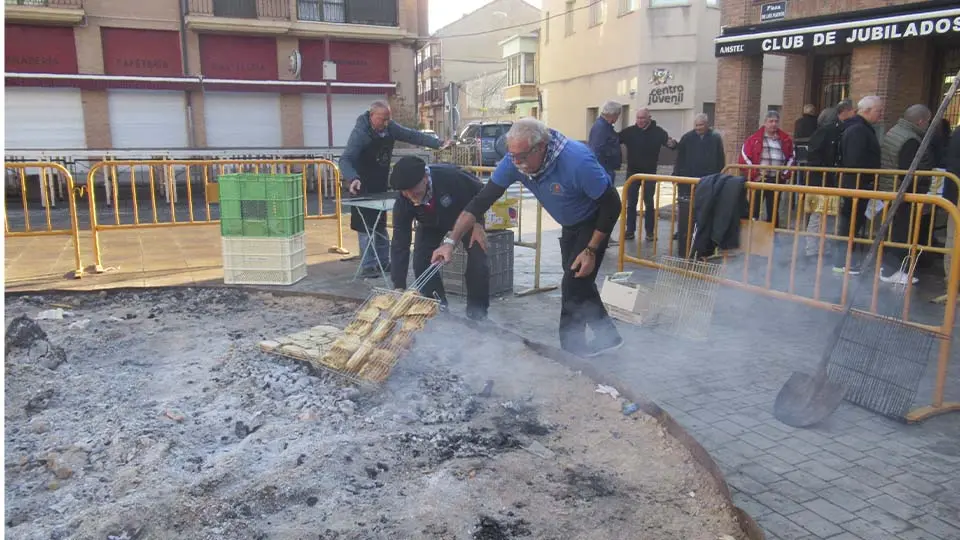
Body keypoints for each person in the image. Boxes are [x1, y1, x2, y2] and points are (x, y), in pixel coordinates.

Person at [431, 117, 624, 358]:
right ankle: (609, 337)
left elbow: (612, 205)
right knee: (580, 281)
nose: (517, 163)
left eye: (522, 157)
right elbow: (480, 201)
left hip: (595, 220)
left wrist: (591, 250)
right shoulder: (514, 160)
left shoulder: (577, 161)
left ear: (541, 147)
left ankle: (573, 352)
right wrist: (450, 242)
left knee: (572, 284)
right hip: (570, 224)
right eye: (512, 156)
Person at [339, 100, 451, 278]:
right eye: (382, 119)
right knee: (366, 228)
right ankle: (368, 265)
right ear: (371, 116)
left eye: (388, 119)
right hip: (361, 185)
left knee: (380, 224)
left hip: (380, 183)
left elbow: (412, 135)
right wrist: (352, 178)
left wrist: (437, 143)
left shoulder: (390, 127)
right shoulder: (360, 133)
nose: (386, 123)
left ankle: (383, 261)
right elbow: (345, 159)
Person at [388, 156, 490, 320]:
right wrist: (398, 285)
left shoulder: (450, 177)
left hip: (465, 218)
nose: (410, 195)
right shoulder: (403, 201)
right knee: (421, 261)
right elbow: (400, 242)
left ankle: (477, 313)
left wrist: (478, 222)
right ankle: (437, 309)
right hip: (430, 223)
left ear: (425, 178)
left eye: (413, 189)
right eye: (404, 192)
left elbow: (482, 192)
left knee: (479, 262)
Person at [877, 104, 935, 285]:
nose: (928, 125)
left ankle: (889, 267)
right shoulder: (910, 139)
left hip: (892, 188)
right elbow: (908, 170)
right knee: (901, 232)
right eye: (928, 121)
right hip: (902, 192)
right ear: (921, 121)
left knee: (896, 230)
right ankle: (891, 270)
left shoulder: (896, 131)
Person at [833, 95, 884, 275]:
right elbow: (855, 160)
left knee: (853, 222)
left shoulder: (860, 128)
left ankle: (846, 261)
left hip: (858, 184)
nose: (881, 115)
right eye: (879, 111)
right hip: (857, 184)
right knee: (850, 223)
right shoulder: (858, 130)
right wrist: (868, 178)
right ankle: (843, 262)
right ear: (867, 111)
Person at [618, 107, 677, 240]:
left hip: (650, 173)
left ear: (649, 118)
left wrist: (673, 144)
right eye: (638, 118)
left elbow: (671, 145)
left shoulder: (658, 132)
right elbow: (615, 139)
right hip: (632, 173)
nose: (640, 121)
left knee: (649, 203)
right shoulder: (629, 132)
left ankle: (650, 233)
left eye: (643, 118)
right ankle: (630, 231)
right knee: (631, 203)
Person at [739, 110, 795, 227]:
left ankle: (773, 238)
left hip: (776, 179)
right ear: (765, 123)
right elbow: (744, 157)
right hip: (759, 180)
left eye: (776, 121)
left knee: (773, 211)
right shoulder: (754, 139)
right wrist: (755, 174)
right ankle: (752, 235)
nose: (774, 124)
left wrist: (784, 174)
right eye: (771, 121)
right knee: (755, 209)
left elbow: (791, 157)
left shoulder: (785, 139)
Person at [672, 113, 726, 184]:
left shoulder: (715, 138)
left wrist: (720, 176)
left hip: (708, 179)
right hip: (689, 178)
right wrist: (675, 174)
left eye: (701, 125)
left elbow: (720, 159)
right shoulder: (687, 138)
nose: (698, 128)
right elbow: (680, 158)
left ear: (707, 124)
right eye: (696, 125)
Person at [588, 100, 623, 183]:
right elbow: (596, 150)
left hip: (606, 168)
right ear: (613, 114)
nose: (618, 118)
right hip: (604, 169)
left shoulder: (605, 126)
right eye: (617, 115)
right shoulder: (601, 127)